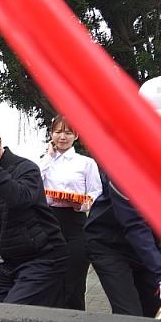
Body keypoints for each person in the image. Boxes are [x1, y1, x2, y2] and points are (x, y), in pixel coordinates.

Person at [85, 76, 161, 318]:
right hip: (110, 244)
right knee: (130, 315)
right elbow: (134, 224)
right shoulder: (123, 158)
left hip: (149, 245)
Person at [0, 110, 67, 308]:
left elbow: (19, 199)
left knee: (12, 312)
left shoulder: (26, 168)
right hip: (11, 261)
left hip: (43, 258)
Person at [38, 115, 102, 311]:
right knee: (48, 278)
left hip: (75, 223)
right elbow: (33, 184)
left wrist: (80, 204)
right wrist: (48, 157)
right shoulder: (44, 161)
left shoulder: (86, 163)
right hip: (48, 222)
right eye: (58, 132)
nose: (62, 137)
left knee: (74, 279)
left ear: (76, 135)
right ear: (51, 135)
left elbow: (95, 193)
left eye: (67, 132)